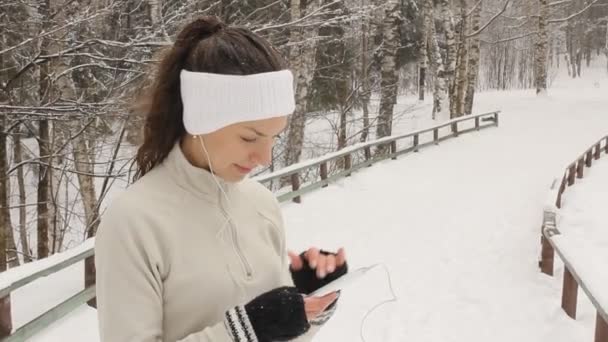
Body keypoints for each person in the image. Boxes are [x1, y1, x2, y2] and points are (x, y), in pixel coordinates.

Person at [94, 15, 349, 342]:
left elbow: (277, 334)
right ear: (201, 119)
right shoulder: (134, 221)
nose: (265, 158)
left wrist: (305, 304)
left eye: (274, 138)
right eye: (249, 137)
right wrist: (244, 330)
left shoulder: (262, 204)